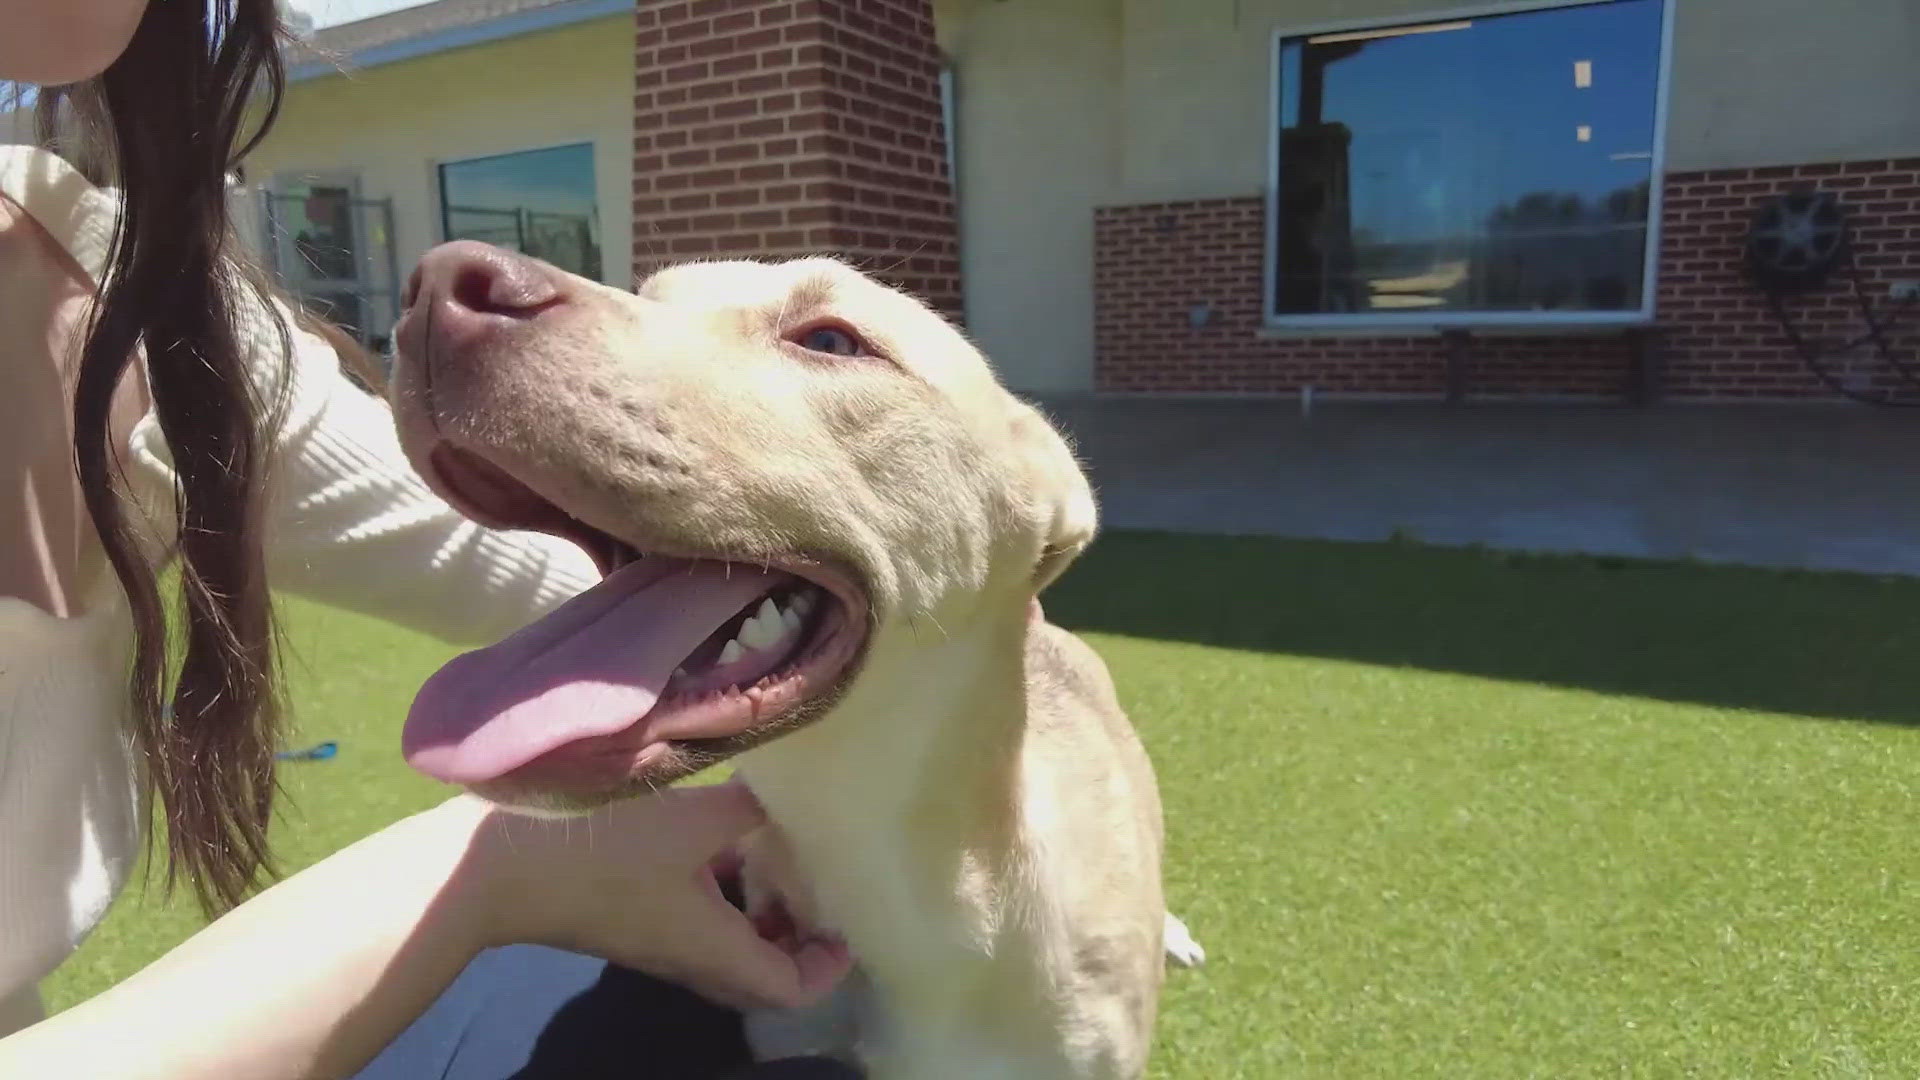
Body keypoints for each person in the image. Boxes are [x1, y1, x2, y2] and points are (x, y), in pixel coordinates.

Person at [0, 1, 853, 1077]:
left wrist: (911, 591)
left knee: (712, 1015)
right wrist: (497, 871)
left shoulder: (144, 304)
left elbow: (559, 577)